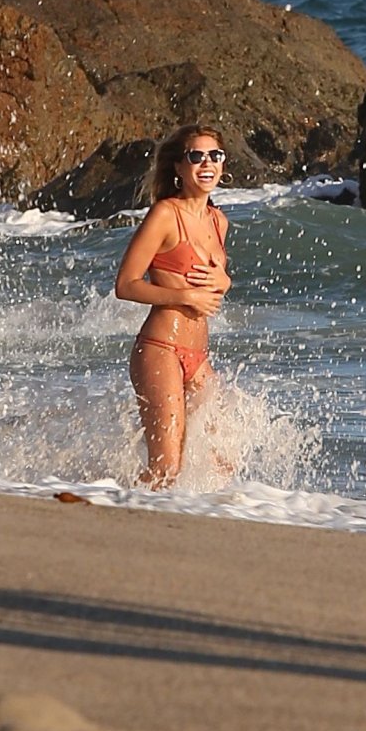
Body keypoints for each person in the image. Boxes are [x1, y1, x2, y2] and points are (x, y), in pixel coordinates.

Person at [115, 125, 231, 487]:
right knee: (165, 467)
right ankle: (115, 510)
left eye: (215, 156)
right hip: (160, 349)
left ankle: (204, 516)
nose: (207, 163)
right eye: (196, 156)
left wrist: (225, 281)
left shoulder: (218, 221)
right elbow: (126, 285)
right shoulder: (165, 214)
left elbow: (216, 279)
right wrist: (185, 297)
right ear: (179, 167)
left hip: (198, 356)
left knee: (222, 461)